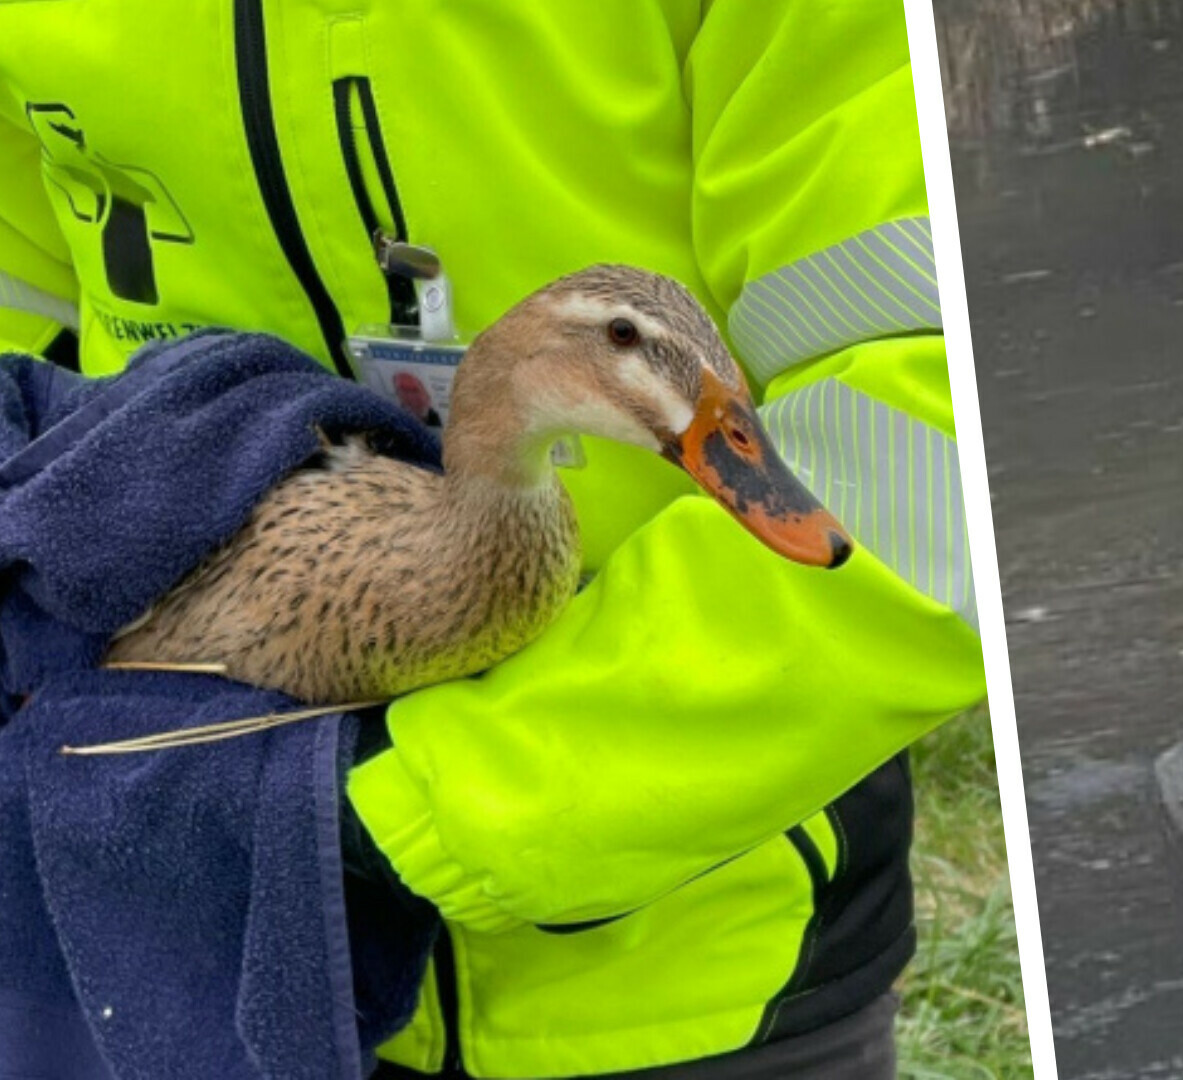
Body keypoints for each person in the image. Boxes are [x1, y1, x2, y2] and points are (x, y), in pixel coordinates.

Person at [0, 3, 984, 1077]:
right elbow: (23, 305)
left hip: (695, 959)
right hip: (201, 934)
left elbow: (938, 449)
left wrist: (415, 808)